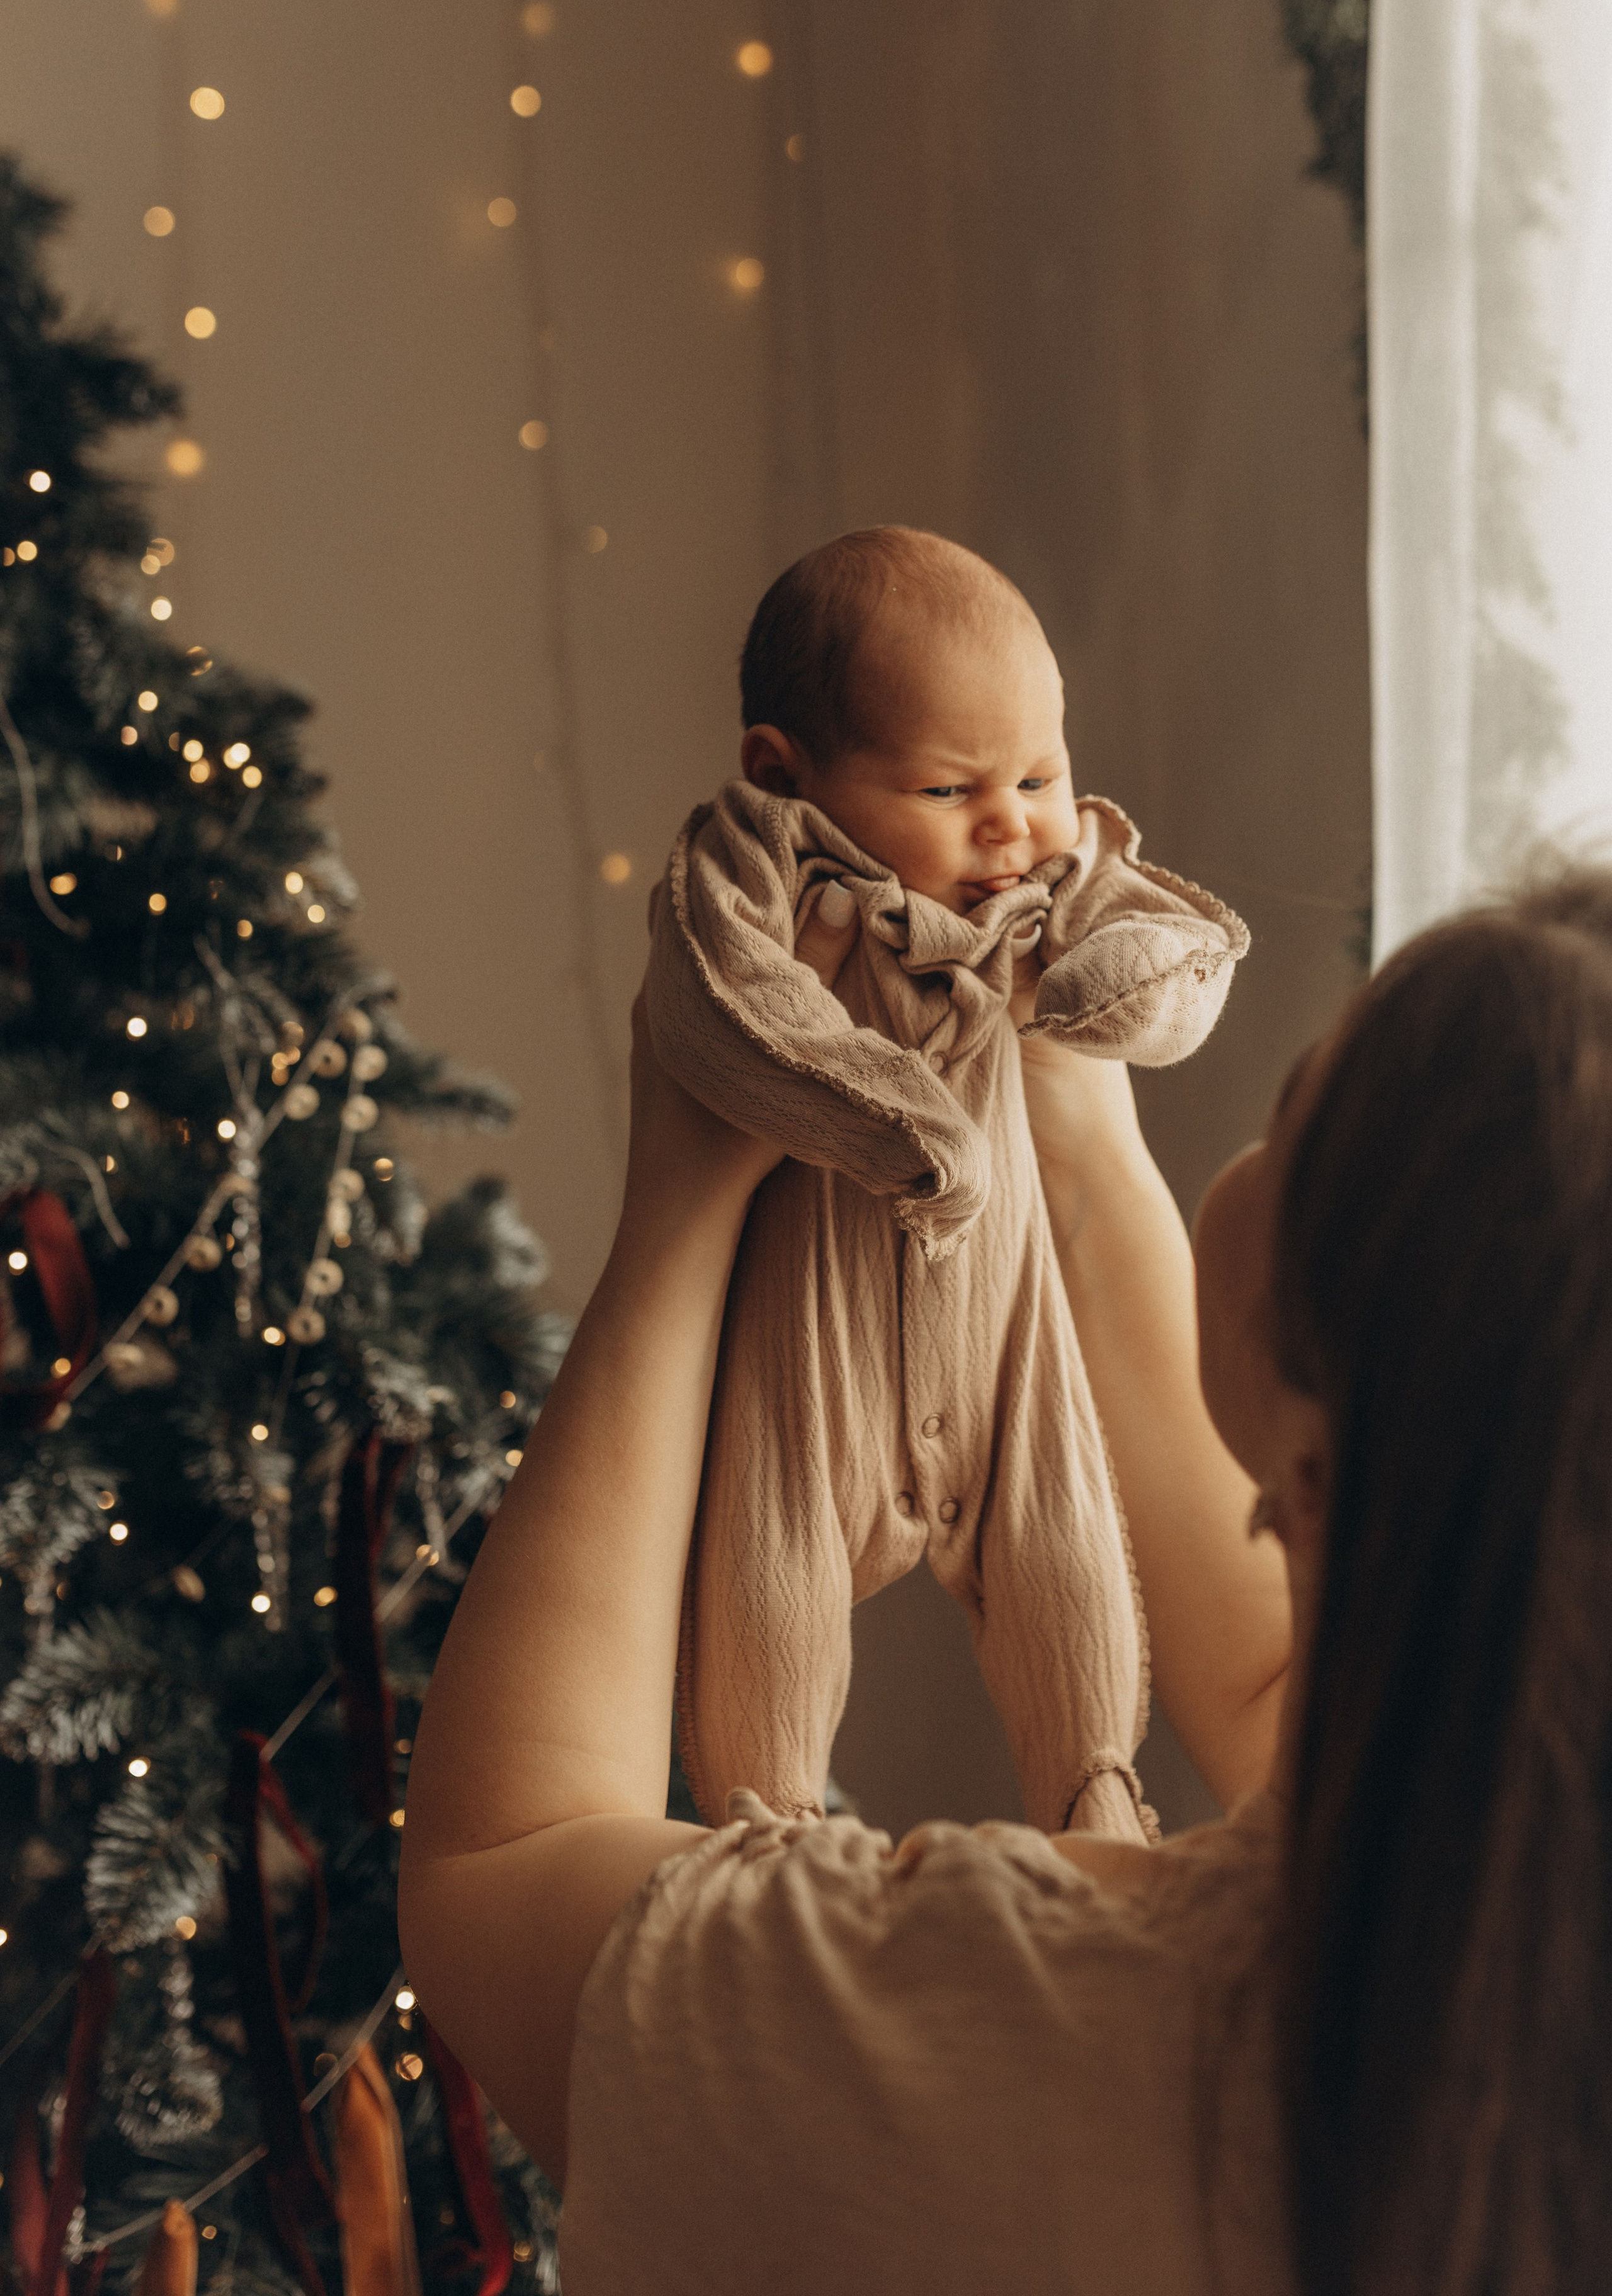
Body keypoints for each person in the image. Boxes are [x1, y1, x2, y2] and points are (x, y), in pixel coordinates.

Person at [401, 864, 1612, 2294]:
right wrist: (1073, 1121)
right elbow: (1282, 1685)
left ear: (1332, 1444)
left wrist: (684, 1187)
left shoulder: (1009, 2038)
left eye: (1292, 1106)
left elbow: (501, 1860)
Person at [648, 524, 1249, 1837]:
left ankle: (1095, 1784)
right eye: (947, 789)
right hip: (816, 1346)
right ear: (782, 775)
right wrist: (898, 1124)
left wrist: (1123, 982)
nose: (1012, 822)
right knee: (766, 1557)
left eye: (1041, 771)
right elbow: (720, 1008)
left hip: (1005, 1333)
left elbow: (1160, 949)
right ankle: (771, 1817)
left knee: (1069, 1546)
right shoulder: (752, 871)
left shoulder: (1043, 873)